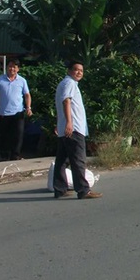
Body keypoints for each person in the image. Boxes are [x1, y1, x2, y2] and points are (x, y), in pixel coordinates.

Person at [53, 61, 102, 199]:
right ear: (69, 71)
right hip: (73, 129)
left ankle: (60, 188)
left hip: (66, 128)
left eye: (81, 70)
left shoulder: (66, 83)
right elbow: (66, 101)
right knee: (78, 159)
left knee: (62, 160)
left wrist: (61, 123)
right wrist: (69, 122)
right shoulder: (69, 83)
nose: (79, 72)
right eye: (75, 69)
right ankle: (83, 190)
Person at [0, 59, 32, 161]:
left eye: (14, 67)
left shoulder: (22, 81)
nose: (12, 69)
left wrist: (28, 107)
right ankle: (4, 156)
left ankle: (15, 156)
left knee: (18, 135)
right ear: (7, 67)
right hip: (4, 113)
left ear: (18, 69)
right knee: (4, 136)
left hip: (18, 112)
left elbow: (27, 95)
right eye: (10, 66)